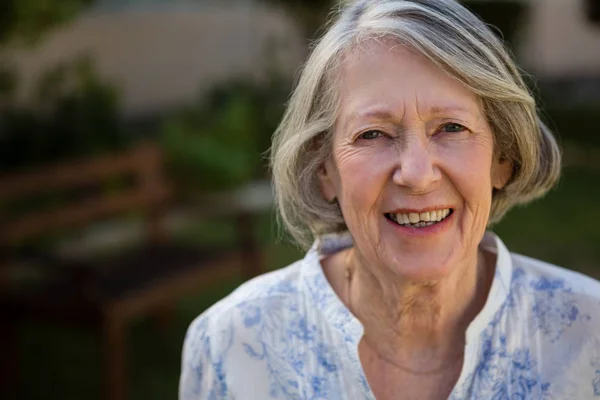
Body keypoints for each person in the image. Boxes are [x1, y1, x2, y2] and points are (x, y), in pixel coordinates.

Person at [179, 0, 600, 398]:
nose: (416, 174)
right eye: (373, 134)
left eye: (451, 128)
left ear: (502, 158)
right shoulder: (230, 347)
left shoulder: (588, 335)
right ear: (324, 170)